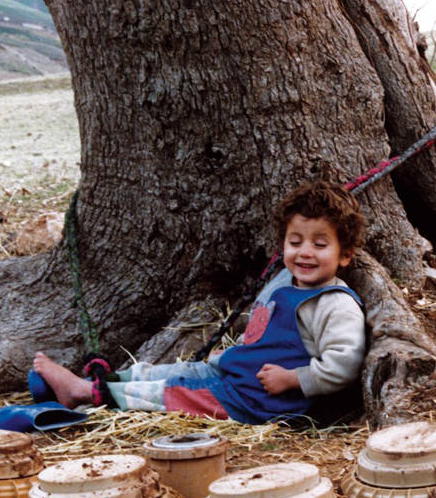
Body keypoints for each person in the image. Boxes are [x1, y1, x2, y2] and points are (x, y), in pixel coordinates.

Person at [32, 180, 367, 424]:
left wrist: (294, 379)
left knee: (176, 395)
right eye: (295, 241)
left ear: (346, 255)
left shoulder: (334, 305)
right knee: (175, 371)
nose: (305, 252)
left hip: (256, 400)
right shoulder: (283, 280)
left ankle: (85, 394)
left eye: (320, 245)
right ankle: (107, 380)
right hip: (235, 372)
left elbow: (344, 365)